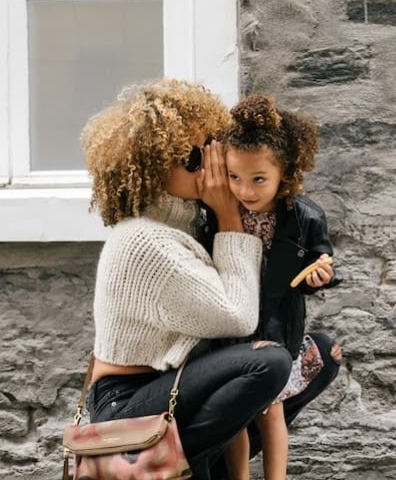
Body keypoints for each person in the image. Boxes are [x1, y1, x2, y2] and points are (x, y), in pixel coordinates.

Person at [81, 79, 293, 479]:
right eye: (193, 158)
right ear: (154, 167)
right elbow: (237, 315)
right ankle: (164, 465)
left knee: (315, 354)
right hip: (126, 403)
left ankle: (191, 467)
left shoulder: (189, 225)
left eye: (213, 147)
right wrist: (231, 218)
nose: (211, 164)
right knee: (267, 363)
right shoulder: (145, 241)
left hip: (171, 387)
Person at [203, 94, 344, 480]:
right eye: (235, 177)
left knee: (272, 409)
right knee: (238, 411)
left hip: (278, 327)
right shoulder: (218, 213)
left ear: (286, 171)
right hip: (231, 328)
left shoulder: (304, 217)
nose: (246, 190)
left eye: (258, 179)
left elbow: (322, 260)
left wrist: (321, 276)